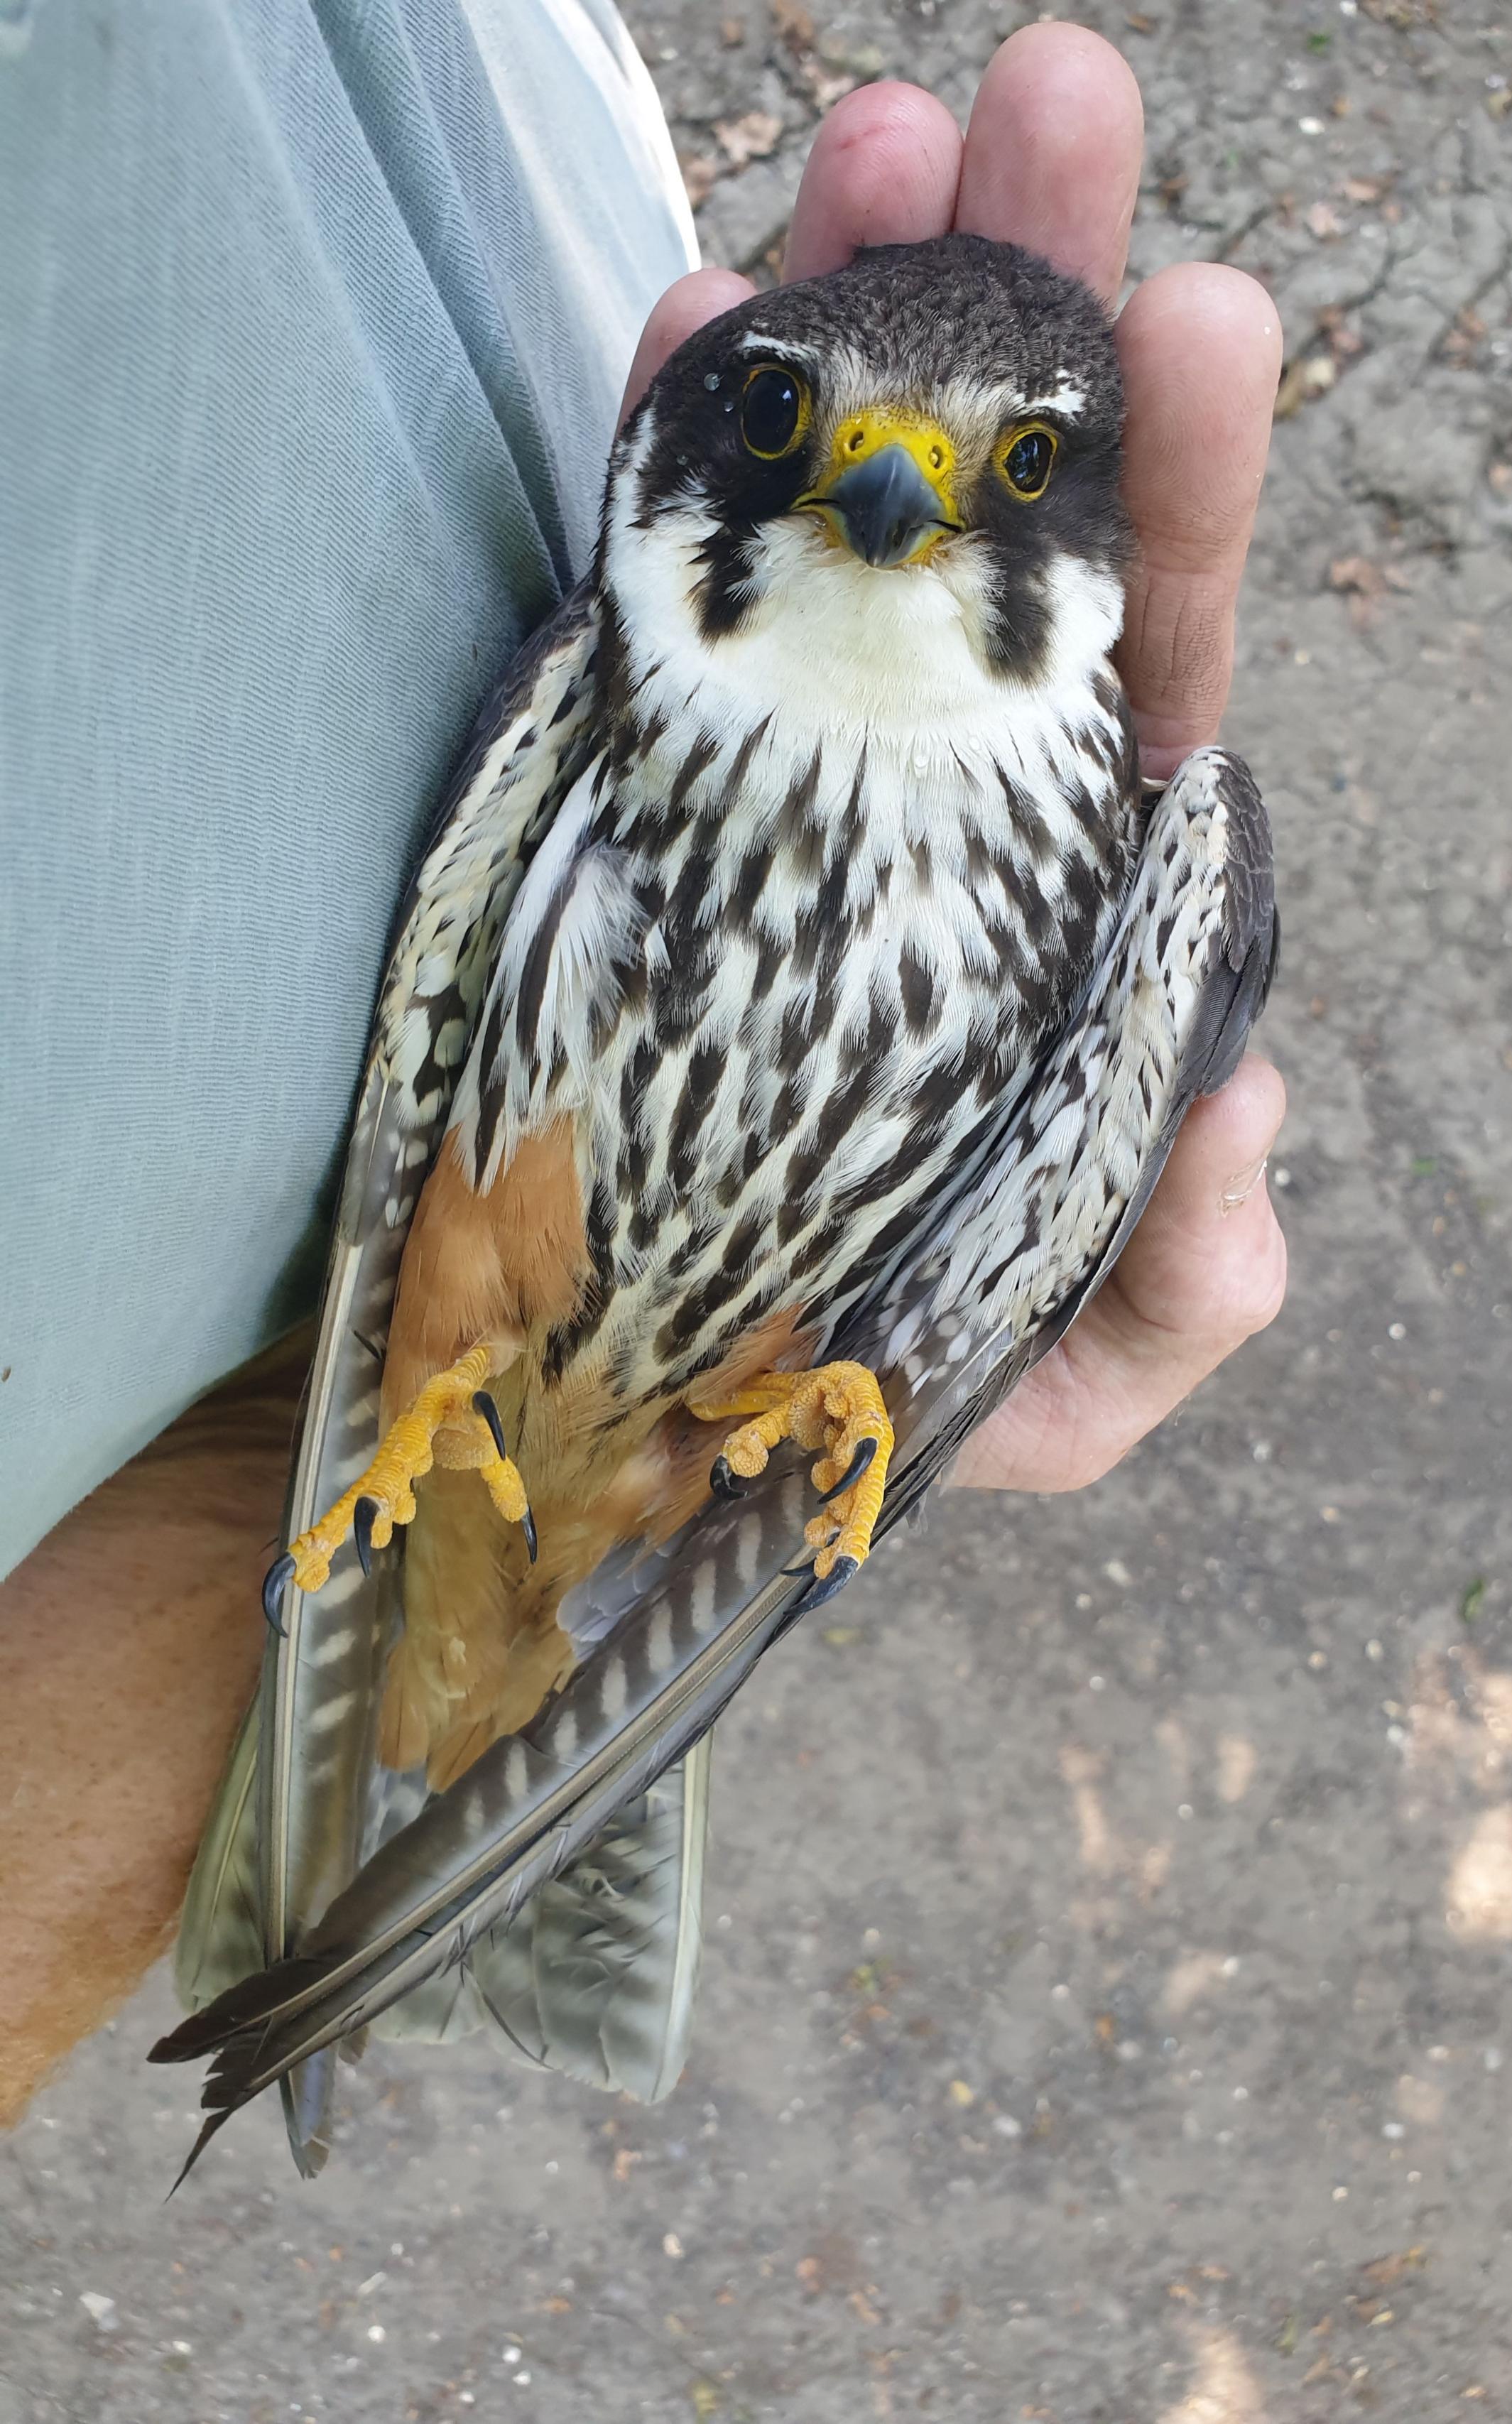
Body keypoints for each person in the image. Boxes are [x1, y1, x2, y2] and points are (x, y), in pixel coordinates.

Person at [0, 1, 1286, 2127]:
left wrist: (873, 1402)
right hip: (425, 1368)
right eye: (802, 424)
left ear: (1090, 543)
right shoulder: (589, 698)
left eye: (1015, 465)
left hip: (705, 1394)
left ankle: (428, 1825)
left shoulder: (1153, 851)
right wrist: (348, 1471)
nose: (890, 481)